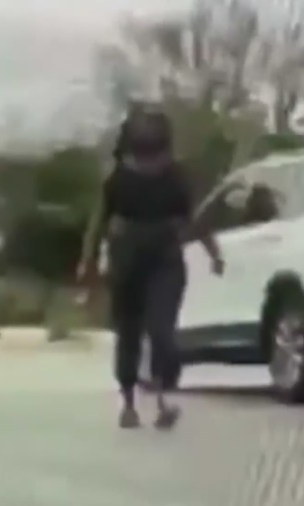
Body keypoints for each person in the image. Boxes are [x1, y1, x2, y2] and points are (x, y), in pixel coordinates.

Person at [77, 103, 224, 430]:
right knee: (128, 332)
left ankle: (162, 399)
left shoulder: (176, 178)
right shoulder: (116, 180)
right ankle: (128, 401)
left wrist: (214, 253)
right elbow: (97, 223)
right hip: (126, 260)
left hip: (165, 259)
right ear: (131, 152)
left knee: (162, 331)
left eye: (156, 154)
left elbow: (194, 219)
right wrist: (87, 263)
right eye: (143, 155)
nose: (150, 163)